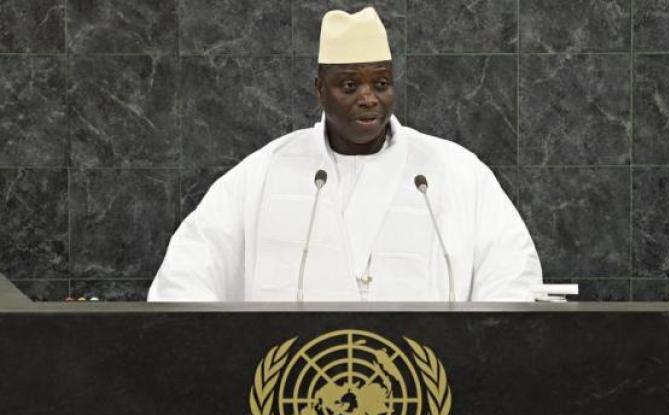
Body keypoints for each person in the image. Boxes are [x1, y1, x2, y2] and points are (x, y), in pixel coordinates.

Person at [148, 7, 542, 302]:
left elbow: (512, 276)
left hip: (432, 402)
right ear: (320, 89)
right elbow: (187, 277)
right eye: (350, 84)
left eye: (381, 83)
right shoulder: (264, 173)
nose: (369, 98)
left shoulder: (456, 173)